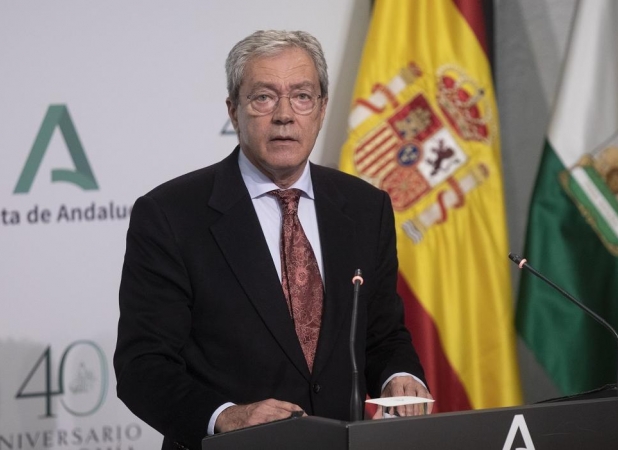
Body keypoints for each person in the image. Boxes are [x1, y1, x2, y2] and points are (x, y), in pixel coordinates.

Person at [114, 30, 431, 450]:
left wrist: (398, 376)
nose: (284, 114)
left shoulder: (365, 207)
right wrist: (226, 416)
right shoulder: (171, 215)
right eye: (263, 97)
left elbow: (382, 333)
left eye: (301, 96)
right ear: (233, 111)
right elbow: (143, 366)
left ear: (321, 109)